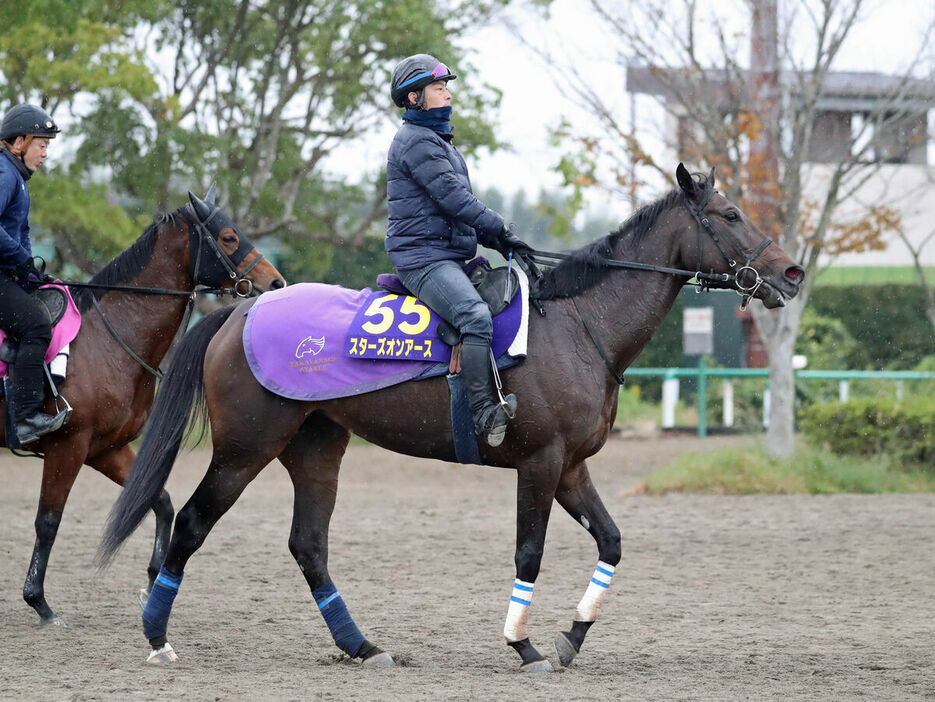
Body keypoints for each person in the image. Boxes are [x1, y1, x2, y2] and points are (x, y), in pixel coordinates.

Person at [385, 54, 533, 447]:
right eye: (439, 88)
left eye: (446, 87)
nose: (448, 94)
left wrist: (497, 240)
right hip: (423, 260)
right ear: (415, 98)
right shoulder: (416, 142)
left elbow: (458, 209)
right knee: (474, 316)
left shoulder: (440, 144)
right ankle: (485, 412)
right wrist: (500, 226)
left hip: (445, 255)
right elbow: (454, 199)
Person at [0, 103, 68, 445]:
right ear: (19, 143)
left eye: (47, 146)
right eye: (41, 144)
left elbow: (21, 233)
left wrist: (29, 270)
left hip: (8, 274)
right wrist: (19, 260)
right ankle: (25, 417)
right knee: (36, 325)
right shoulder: (4, 173)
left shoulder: (18, 180)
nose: (45, 153)